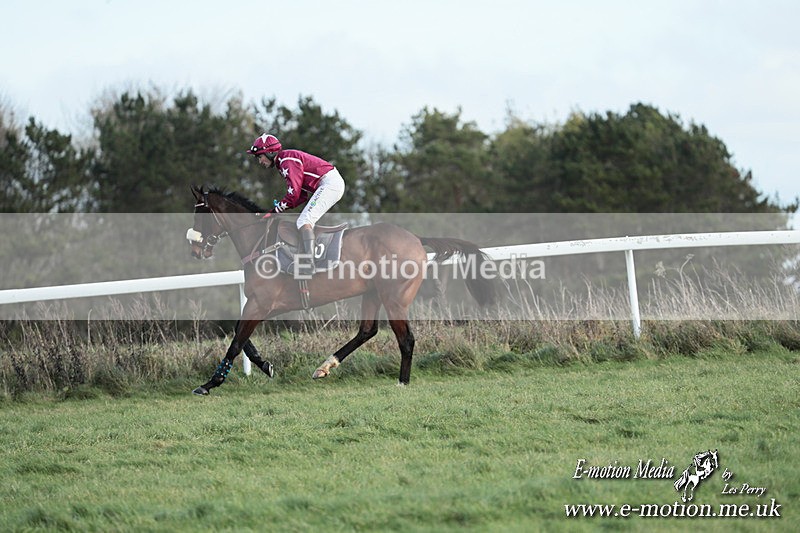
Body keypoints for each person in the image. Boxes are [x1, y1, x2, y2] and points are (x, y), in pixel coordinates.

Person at [246, 133, 345, 274]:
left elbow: (294, 195)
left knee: (304, 220)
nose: (259, 161)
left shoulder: (286, 160)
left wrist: (274, 211)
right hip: (328, 183)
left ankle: (309, 263)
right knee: (303, 219)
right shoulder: (283, 161)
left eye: (260, 156)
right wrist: (277, 209)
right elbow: (301, 196)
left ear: (270, 152)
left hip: (329, 184)